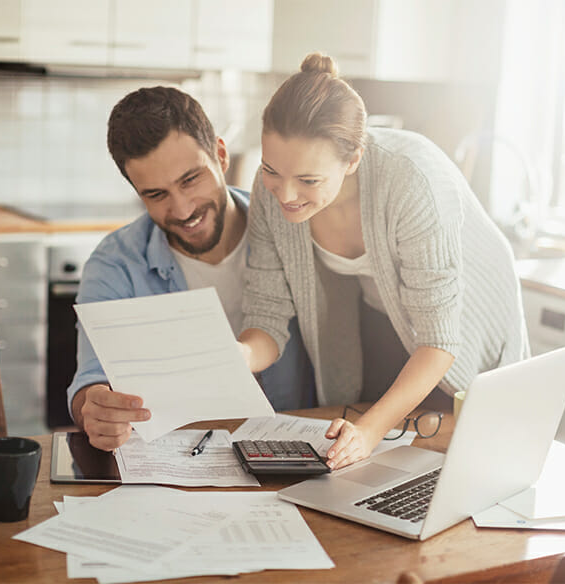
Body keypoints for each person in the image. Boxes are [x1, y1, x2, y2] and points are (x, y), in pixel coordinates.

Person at [238, 53, 529, 470]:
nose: (284, 195)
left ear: (353, 159)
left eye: (308, 180)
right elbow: (266, 316)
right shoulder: (271, 192)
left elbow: (439, 340)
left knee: (457, 450)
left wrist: (371, 431)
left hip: (465, 318)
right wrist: (237, 356)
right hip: (383, 307)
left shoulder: (413, 180)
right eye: (271, 171)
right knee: (373, 453)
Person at [68, 86, 314, 451]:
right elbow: (91, 380)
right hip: (178, 459)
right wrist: (96, 408)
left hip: (295, 450)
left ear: (220, 153)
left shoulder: (290, 229)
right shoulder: (115, 263)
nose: (182, 210)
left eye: (190, 180)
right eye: (156, 194)